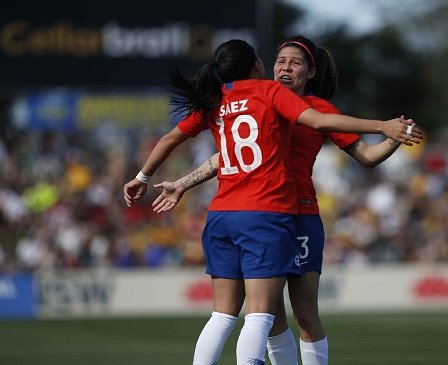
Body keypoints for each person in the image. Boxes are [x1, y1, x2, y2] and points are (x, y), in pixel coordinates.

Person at [123, 39, 422, 365]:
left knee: (304, 315)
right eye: (281, 60)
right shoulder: (261, 96)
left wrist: (393, 136)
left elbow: (366, 155)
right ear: (265, 65)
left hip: (298, 216)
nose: (285, 67)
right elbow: (226, 154)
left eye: (295, 63)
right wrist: (182, 183)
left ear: (310, 72)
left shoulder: (313, 108)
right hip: (267, 215)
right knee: (270, 317)